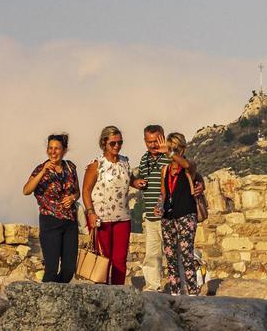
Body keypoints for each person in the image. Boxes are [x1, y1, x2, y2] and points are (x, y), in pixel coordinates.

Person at [83, 125, 143, 285]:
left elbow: (128, 180)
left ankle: (118, 292)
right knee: (104, 259)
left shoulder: (125, 162)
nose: (117, 146)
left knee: (120, 259)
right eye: (113, 143)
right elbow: (86, 191)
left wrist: (136, 182)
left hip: (123, 217)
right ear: (104, 143)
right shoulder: (96, 164)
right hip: (101, 218)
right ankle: (102, 293)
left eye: (120, 143)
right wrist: (90, 213)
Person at [23, 133, 80, 283]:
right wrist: (43, 172)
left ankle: (58, 297)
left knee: (69, 268)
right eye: (50, 148)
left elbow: (77, 191)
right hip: (50, 222)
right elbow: (26, 190)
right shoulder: (40, 169)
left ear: (64, 150)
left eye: (57, 148)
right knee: (51, 268)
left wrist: (73, 198)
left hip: (70, 222)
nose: (53, 152)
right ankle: (45, 301)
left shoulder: (70, 167)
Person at [159, 132, 204, 296]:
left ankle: (192, 292)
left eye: (176, 148)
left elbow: (185, 164)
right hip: (168, 217)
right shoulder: (165, 170)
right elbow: (163, 193)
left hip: (186, 215)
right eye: (170, 148)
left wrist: (170, 152)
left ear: (183, 149)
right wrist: (158, 207)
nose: (173, 152)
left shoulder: (189, 167)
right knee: (170, 256)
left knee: (187, 254)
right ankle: (175, 292)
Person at [134, 125, 171, 290]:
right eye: (149, 142)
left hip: (169, 215)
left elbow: (188, 169)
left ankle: (180, 285)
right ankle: (152, 288)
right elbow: (140, 177)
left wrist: (168, 151)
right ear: (144, 141)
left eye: (156, 141)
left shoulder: (171, 156)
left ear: (163, 138)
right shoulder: (144, 159)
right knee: (152, 255)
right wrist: (138, 182)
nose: (153, 145)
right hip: (150, 215)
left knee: (173, 253)